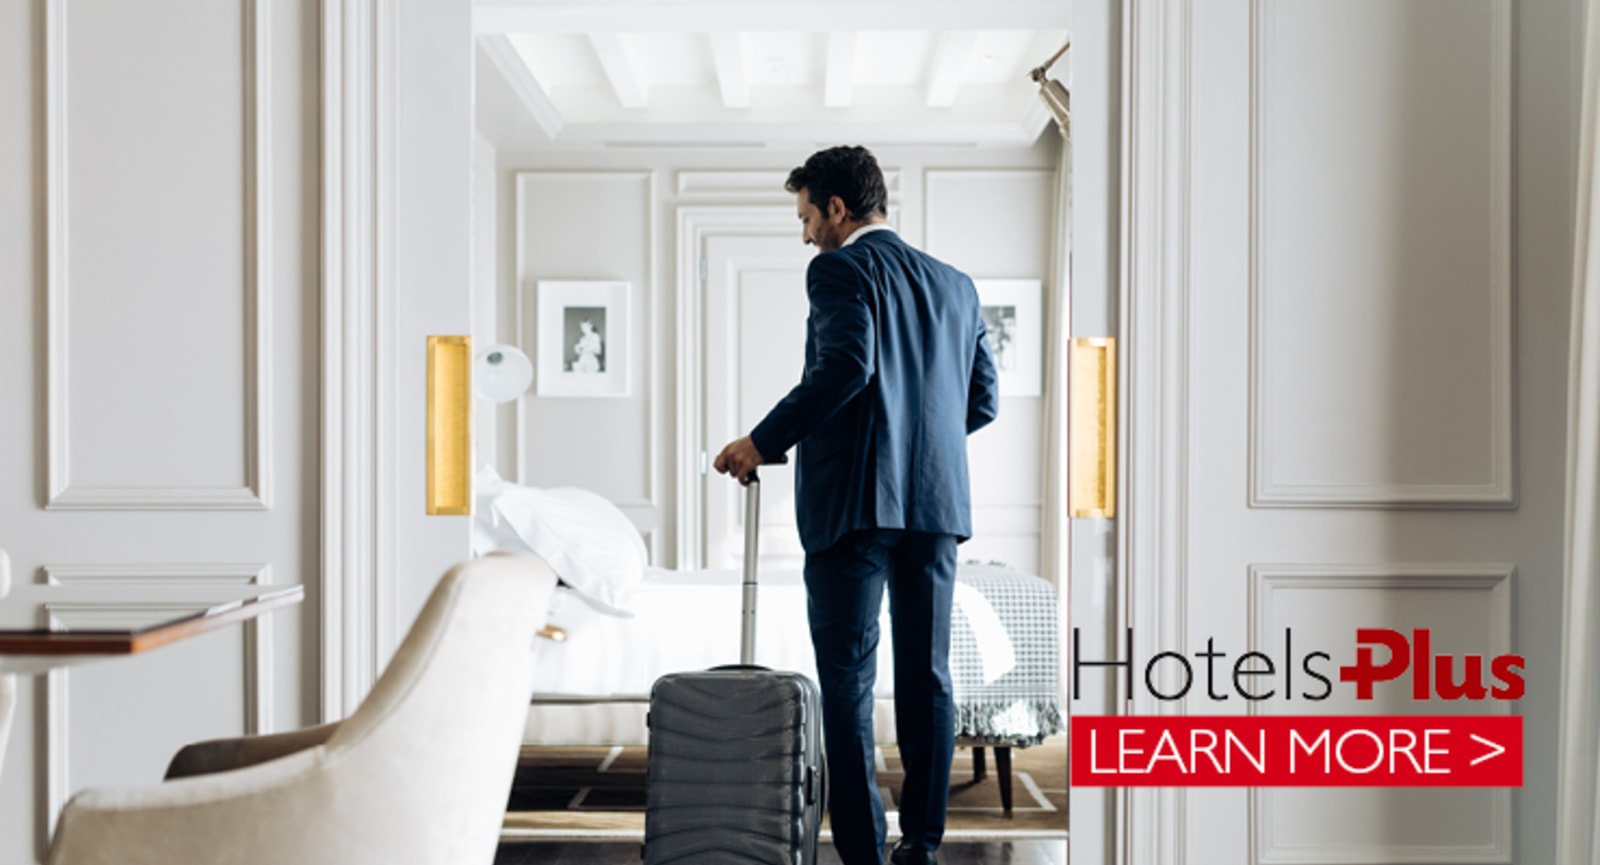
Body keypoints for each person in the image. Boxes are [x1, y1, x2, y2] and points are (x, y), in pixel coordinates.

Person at [714, 145, 999, 865]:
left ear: (837, 208)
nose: (806, 234)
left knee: (847, 681)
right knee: (928, 677)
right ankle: (922, 846)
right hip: (935, 507)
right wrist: (919, 445)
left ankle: (865, 853)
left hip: (853, 507)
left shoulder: (839, 268)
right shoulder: (956, 285)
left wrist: (760, 441)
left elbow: (845, 366)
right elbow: (982, 400)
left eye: (806, 216)